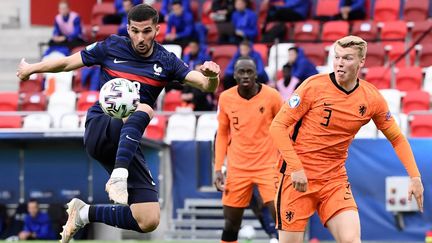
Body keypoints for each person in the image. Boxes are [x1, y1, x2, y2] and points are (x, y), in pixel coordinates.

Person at [16, 4, 220, 243]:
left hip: (127, 142)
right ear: (128, 28)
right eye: (135, 31)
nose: (140, 37)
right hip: (101, 126)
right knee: (143, 106)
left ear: (157, 29)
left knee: (148, 219)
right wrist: (32, 69)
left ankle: (84, 212)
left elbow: (205, 86)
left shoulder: (166, 60)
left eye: (146, 31)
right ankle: (118, 176)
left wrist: (213, 76)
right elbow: (66, 63)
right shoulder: (111, 46)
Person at [269, 35, 424, 243]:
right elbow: (277, 126)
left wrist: (415, 177)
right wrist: (296, 168)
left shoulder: (371, 98)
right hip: (297, 177)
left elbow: (397, 138)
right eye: (337, 57)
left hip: (334, 181)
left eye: (347, 58)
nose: (340, 63)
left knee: (352, 241)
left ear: (361, 62)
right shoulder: (313, 87)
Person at [214, 56, 283, 243]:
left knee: (282, 217)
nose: (245, 75)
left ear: (256, 74)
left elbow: (285, 129)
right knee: (231, 224)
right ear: (234, 75)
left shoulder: (272, 96)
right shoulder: (226, 98)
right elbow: (221, 134)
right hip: (238, 169)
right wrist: (218, 168)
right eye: (241, 72)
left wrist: (288, 164)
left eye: (249, 71)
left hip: (268, 166)